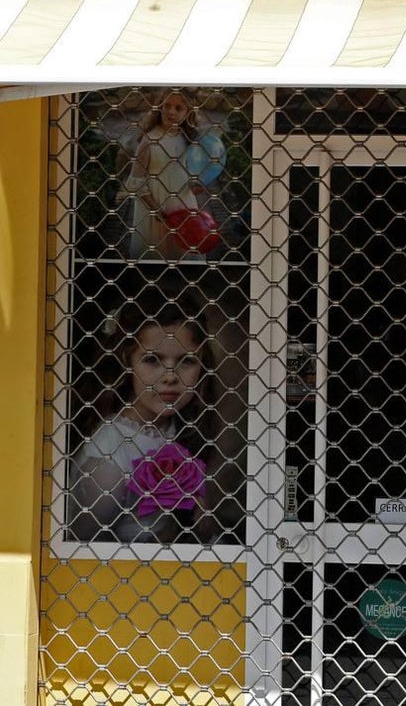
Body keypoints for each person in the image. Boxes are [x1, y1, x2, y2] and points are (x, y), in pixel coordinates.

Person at [69, 290, 224, 543]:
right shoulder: (109, 462)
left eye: (186, 361)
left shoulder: (179, 427)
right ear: (127, 360)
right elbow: (83, 552)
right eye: (153, 360)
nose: (170, 376)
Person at [122, 89, 223, 259]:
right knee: (157, 252)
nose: (171, 111)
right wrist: (157, 211)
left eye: (178, 108)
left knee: (183, 252)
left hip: (183, 203)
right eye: (167, 106)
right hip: (155, 205)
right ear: (159, 108)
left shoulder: (189, 138)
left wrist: (196, 184)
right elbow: (135, 180)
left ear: (188, 112)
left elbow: (193, 170)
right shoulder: (150, 139)